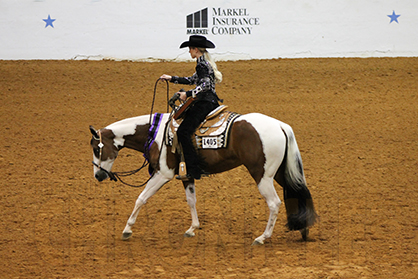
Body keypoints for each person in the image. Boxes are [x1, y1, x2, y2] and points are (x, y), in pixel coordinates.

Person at [160, 35, 223, 181]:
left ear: (195, 49)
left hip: (205, 103)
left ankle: (194, 169)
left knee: (183, 132)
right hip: (210, 101)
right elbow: (192, 80)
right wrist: (171, 78)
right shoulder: (204, 63)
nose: (189, 52)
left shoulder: (202, 65)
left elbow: (205, 85)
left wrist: (187, 94)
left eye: (190, 49)